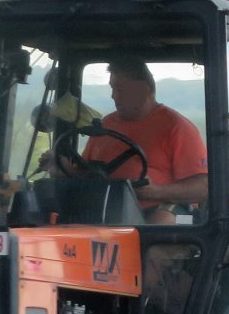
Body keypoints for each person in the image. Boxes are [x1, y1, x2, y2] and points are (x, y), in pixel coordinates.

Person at [82, 57, 208, 224]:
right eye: (113, 89)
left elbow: (203, 187)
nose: (114, 96)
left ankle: (151, 249)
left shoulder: (176, 127)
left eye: (121, 90)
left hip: (171, 210)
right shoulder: (105, 126)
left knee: (162, 223)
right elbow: (85, 171)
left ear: (144, 90)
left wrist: (155, 192)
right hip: (109, 209)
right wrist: (60, 166)